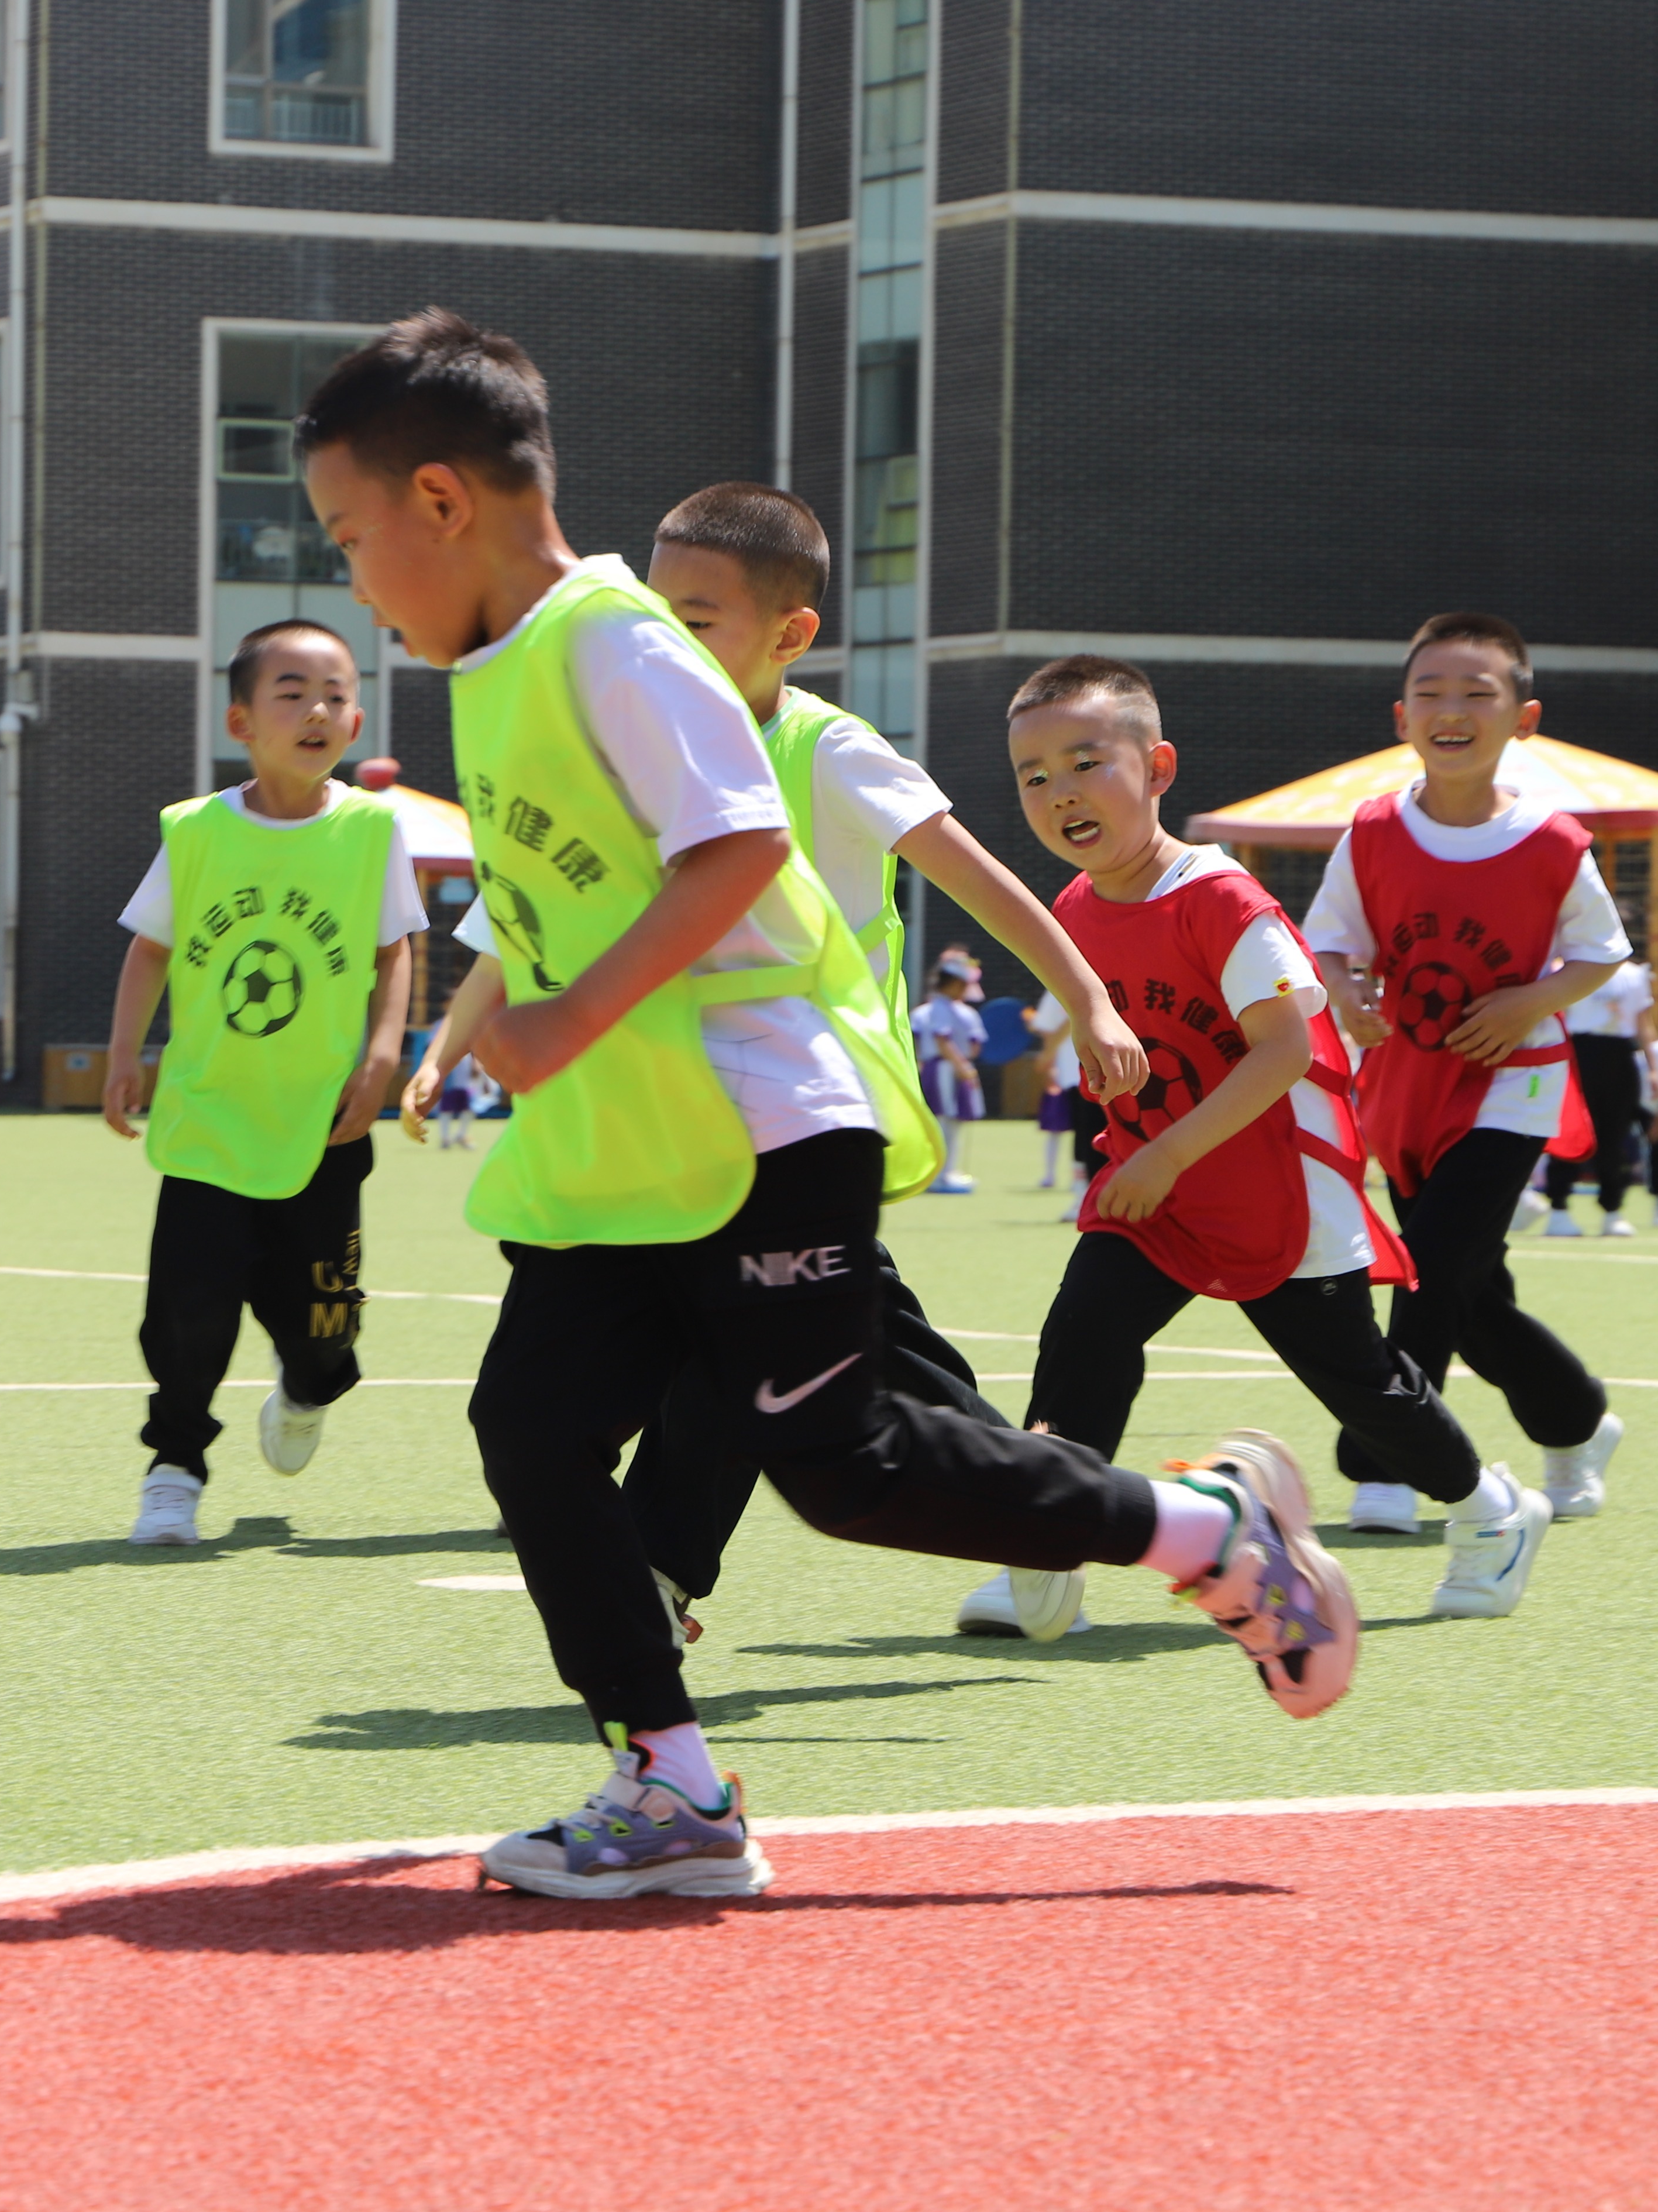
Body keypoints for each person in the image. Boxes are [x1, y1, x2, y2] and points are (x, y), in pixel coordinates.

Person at [309, 307, 1356, 1902]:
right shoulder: (510, 663)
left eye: (349, 538)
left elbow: (733, 850)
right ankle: (672, 1788)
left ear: (441, 503)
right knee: (530, 1430)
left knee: (850, 1468)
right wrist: (498, 1026)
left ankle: (1206, 1530)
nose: (353, 581)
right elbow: (551, 899)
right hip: (628, 1152)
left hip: (763, 1131)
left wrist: (571, 1017)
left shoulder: (614, 641)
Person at [558, 480, 1148, 1647]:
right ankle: (1049, 1501)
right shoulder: (642, 751)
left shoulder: (828, 751)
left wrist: (1084, 994)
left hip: (817, 1106)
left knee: (747, 1335)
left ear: (789, 635)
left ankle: (662, 1571)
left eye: (700, 617)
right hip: (695, 1111)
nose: (665, 642)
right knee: (798, 1340)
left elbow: (979, 878)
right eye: (653, 614)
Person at [1001, 656, 1542, 1619]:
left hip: (1277, 1192)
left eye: (1086, 763)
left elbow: (1284, 1050)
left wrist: (1166, 1151)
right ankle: (1047, 1554)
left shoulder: (1223, 901)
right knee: (1083, 1334)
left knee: (1361, 1386)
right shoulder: (1075, 911)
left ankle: (1489, 1511)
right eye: (1034, 776)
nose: (1059, 794)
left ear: (1158, 767)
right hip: (1159, 1193)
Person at [1305, 611, 1627, 1522]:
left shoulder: (1554, 842)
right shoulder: (1370, 833)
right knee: (1471, 1289)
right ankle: (1574, 1420)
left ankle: (1389, 1463)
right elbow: (1330, 946)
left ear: (1523, 719)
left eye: (1476, 694)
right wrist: (1347, 996)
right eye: (1431, 693)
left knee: (1431, 1265)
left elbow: (1602, 953)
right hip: (1407, 1086)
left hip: (1516, 1085)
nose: (1452, 710)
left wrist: (1529, 1002)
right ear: (1400, 716)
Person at [104, 619, 419, 1546]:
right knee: (186, 1313)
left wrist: (383, 1051)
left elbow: (394, 950)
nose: (316, 710)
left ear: (355, 720)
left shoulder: (371, 831)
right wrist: (126, 1055)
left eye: (334, 694)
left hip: (325, 1124)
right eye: (292, 693)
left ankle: (311, 1387)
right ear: (242, 719)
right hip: (209, 1118)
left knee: (326, 1330)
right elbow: (150, 950)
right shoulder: (198, 830)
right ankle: (175, 1465)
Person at [1542, 916, 1650, 1236]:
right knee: (1571, 1129)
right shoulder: (1573, 969)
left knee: (1615, 1135)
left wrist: (1654, 1069)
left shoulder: (1634, 975)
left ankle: (1612, 1210)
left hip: (1619, 1057)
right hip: (1579, 1053)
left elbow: (1643, 1023)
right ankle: (1558, 1209)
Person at [911, 962, 987, 1192]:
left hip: (954, 1066)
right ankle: (938, 1175)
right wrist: (962, 1066)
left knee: (953, 1122)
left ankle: (947, 1171)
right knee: (944, 1121)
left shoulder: (958, 1009)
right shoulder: (940, 1008)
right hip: (946, 1067)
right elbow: (942, 1039)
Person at [1028, 993, 1083, 1190]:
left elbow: (1075, 1016)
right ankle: (1079, 1188)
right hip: (1071, 1075)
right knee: (1080, 1132)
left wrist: (1047, 1055)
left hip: (1084, 1074)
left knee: (1087, 1134)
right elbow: (1046, 1028)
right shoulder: (1054, 991)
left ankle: (1082, 1191)